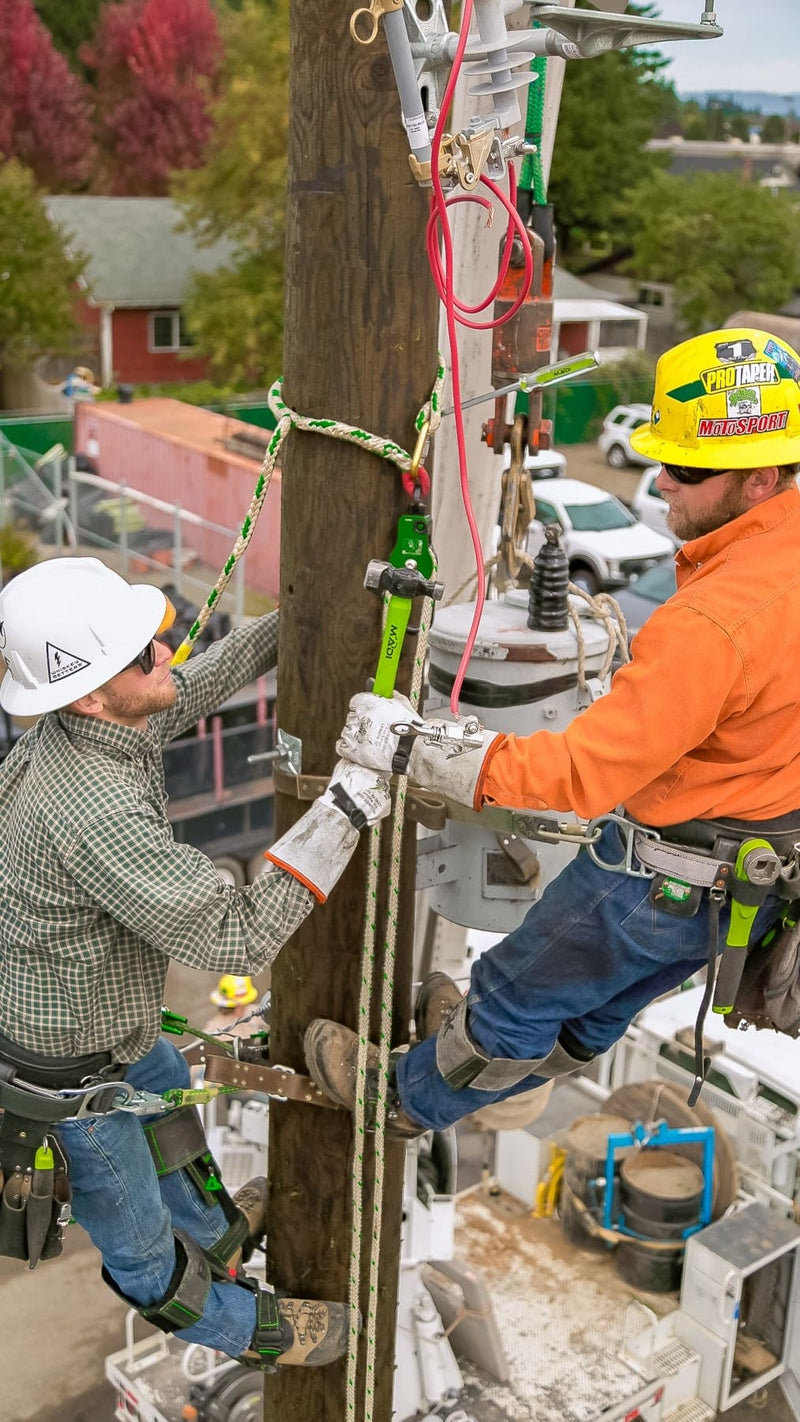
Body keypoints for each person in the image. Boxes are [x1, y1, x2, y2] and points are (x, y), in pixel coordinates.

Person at [303, 326, 800, 1137]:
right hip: (747, 885)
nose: (661, 482)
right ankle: (516, 1052)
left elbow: (578, 775)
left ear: (762, 478)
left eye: (688, 469)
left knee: (505, 995)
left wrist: (414, 747)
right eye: (662, 458)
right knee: (598, 1000)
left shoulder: (717, 620)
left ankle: (400, 1099)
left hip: (653, 884)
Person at [0, 556, 390, 1367]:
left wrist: (309, 607)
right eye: (143, 654)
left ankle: (220, 1233)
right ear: (90, 692)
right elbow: (237, 937)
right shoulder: (91, 806)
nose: (165, 654)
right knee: (141, 1250)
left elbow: (199, 678)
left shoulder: (98, 723)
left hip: (110, 1027)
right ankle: (257, 1333)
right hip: (65, 1077)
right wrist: (349, 803)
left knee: (166, 1085)